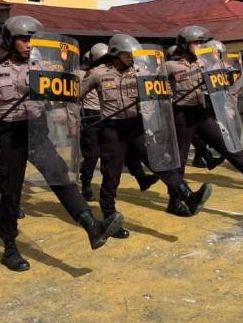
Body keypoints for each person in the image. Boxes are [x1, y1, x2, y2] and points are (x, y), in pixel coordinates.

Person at [0, 16, 123, 272]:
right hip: (10, 134)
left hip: (38, 130)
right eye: (24, 39)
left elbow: (66, 92)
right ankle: (10, 247)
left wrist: (64, 113)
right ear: (10, 40)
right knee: (11, 192)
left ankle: (92, 226)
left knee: (61, 178)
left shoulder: (43, 66)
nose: (28, 44)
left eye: (32, 39)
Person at [82, 34, 213, 228]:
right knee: (112, 175)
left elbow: (160, 89)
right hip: (113, 130)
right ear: (116, 54)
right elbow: (75, 94)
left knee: (160, 162)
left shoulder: (139, 71)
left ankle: (188, 195)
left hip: (137, 126)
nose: (131, 58)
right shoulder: (97, 73)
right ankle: (109, 217)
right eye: (127, 55)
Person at [166, 27, 243, 195]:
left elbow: (229, 72)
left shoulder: (207, 62)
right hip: (182, 115)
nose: (200, 46)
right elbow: (159, 92)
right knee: (181, 159)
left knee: (230, 146)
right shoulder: (170, 66)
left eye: (202, 43)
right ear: (184, 45)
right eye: (196, 43)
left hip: (201, 112)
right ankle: (176, 199)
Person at [79, 43, 159, 201]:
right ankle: (86, 185)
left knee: (127, 150)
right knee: (93, 154)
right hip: (92, 117)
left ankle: (140, 177)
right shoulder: (88, 74)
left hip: (113, 117)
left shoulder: (124, 72)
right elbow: (77, 96)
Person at [165, 44, 224, 170]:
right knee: (183, 143)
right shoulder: (168, 69)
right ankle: (174, 177)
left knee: (195, 136)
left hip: (195, 107)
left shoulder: (194, 65)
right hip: (177, 111)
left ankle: (206, 157)